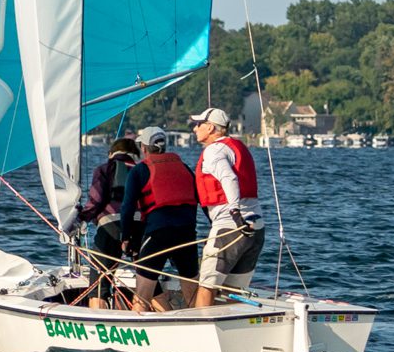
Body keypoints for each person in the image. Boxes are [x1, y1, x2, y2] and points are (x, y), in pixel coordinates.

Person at [189, 106, 263, 308]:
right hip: (256, 226)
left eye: (199, 124)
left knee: (206, 286)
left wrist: (234, 212)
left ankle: (200, 332)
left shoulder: (214, 151)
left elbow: (229, 178)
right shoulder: (237, 146)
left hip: (231, 225)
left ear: (211, 128)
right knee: (234, 291)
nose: (195, 129)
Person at [66, 137, 147, 307]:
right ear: (135, 155)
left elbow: (96, 200)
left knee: (99, 283)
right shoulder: (143, 171)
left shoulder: (105, 169)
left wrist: (79, 219)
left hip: (111, 226)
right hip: (140, 227)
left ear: (111, 153)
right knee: (148, 280)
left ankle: (99, 323)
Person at [130, 126, 200, 311]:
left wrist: (125, 237)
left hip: (158, 234)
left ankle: (137, 333)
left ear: (144, 148)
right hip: (186, 234)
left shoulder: (139, 170)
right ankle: (199, 329)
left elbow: (127, 207)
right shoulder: (184, 167)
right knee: (193, 294)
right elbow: (199, 199)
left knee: (142, 297)